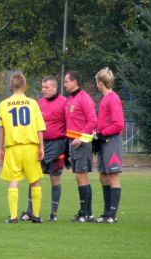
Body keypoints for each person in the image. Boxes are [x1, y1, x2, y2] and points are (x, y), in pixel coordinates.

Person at [0, 72, 46, 223]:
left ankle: (13, 216)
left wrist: (0, 149)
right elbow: (39, 128)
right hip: (31, 146)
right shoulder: (33, 103)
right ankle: (36, 215)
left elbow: (1, 129)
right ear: (25, 86)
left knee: (14, 180)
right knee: (35, 180)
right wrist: (41, 147)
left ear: (11, 87)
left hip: (13, 147)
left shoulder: (3, 105)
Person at [19, 76, 67, 222]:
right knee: (34, 177)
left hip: (57, 144)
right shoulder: (37, 103)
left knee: (55, 178)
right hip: (39, 145)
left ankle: (53, 213)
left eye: (46, 87)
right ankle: (30, 210)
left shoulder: (64, 103)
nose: (43, 90)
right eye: (43, 87)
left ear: (55, 88)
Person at [63, 71, 97, 222]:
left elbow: (92, 120)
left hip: (81, 144)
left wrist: (81, 138)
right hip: (72, 143)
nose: (64, 84)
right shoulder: (70, 100)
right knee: (82, 177)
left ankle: (84, 214)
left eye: (66, 81)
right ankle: (87, 213)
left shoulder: (84, 98)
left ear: (75, 82)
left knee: (81, 177)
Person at [93, 67, 124, 223]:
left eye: (96, 82)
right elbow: (103, 122)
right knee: (103, 177)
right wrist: (95, 135)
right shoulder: (104, 99)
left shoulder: (113, 98)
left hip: (111, 142)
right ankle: (106, 213)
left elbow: (119, 125)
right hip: (104, 142)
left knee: (112, 177)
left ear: (100, 82)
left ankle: (113, 215)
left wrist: (102, 134)